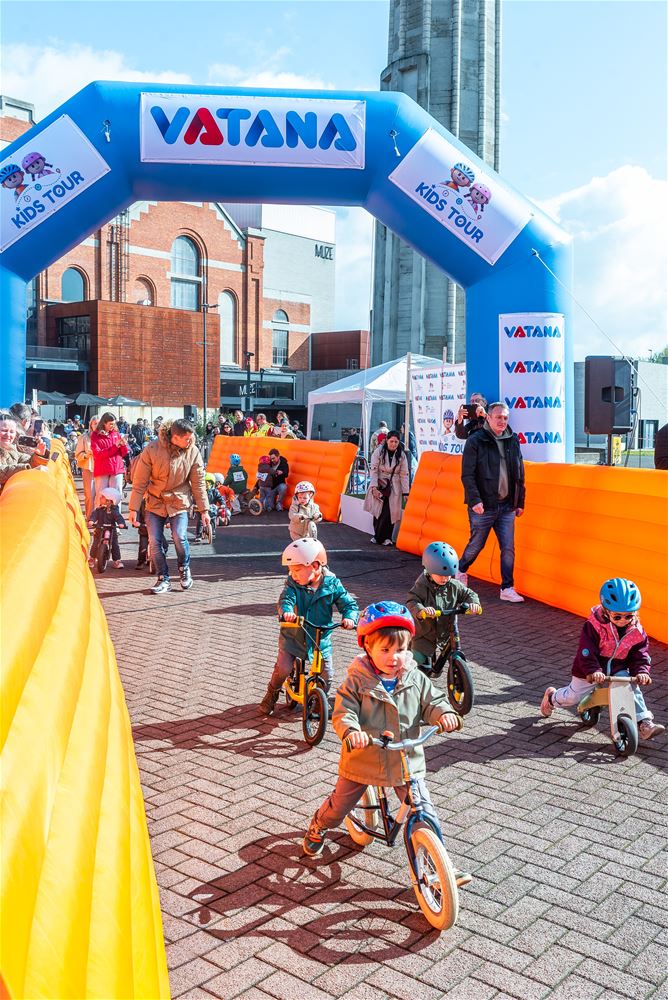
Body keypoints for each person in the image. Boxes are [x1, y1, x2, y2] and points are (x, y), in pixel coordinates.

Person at [302, 601, 461, 857]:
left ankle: (439, 865)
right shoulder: (357, 680)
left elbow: (433, 701)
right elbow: (344, 711)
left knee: (424, 811)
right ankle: (319, 825)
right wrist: (351, 731)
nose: (394, 657)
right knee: (339, 805)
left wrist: (444, 713)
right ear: (368, 647)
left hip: (404, 762)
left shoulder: (414, 677)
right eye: (385, 650)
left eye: (400, 649)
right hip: (364, 757)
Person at [540, 578, 664, 741]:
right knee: (573, 697)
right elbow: (586, 651)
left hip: (618, 668)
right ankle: (551, 697)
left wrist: (641, 672)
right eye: (617, 617)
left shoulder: (637, 632)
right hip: (589, 668)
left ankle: (644, 723)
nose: (623, 620)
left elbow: (640, 654)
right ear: (606, 611)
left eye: (628, 616)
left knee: (631, 688)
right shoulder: (594, 626)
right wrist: (593, 670)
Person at [258, 538, 358, 714]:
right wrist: (287, 612)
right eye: (290, 570)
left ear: (315, 566)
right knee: (283, 668)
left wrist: (349, 618)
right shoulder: (293, 584)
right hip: (293, 637)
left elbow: (349, 604)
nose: (293, 574)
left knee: (327, 674)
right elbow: (286, 599)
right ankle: (272, 692)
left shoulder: (332, 584)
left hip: (320, 640)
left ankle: (319, 701)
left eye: (297, 570)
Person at [127, 418, 209, 595]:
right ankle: (163, 578)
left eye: (191, 438)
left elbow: (199, 483)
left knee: (179, 535)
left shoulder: (193, 451)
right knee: (154, 540)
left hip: (179, 500)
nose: (191, 441)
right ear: (175, 437)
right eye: (187, 438)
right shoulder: (152, 449)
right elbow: (140, 481)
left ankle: (184, 568)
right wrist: (133, 508)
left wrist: (204, 510)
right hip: (155, 501)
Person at [458, 403, 525, 603]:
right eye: (498, 417)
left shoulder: (513, 440)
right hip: (483, 505)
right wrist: (475, 500)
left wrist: (519, 501)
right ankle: (460, 570)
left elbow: (520, 472)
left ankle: (507, 588)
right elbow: (467, 474)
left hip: (507, 506)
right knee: (476, 545)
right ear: (488, 417)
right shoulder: (476, 440)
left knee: (508, 548)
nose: (502, 421)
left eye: (505, 418)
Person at [406, 542, 481, 669]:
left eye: (448, 575)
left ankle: (459, 671)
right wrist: (421, 610)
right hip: (424, 635)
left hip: (446, 633)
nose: (445, 578)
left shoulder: (454, 586)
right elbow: (412, 601)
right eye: (441, 575)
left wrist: (474, 604)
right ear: (430, 570)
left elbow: (469, 594)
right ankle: (404, 677)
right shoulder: (422, 586)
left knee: (452, 652)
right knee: (416, 662)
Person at [364, 429, 410, 546]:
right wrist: (374, 487)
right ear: (387, 440)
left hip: (395, 485)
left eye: (396, 442)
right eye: (391, 441)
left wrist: (406, 492)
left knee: (391, 512)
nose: (394, 444)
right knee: (378, 511)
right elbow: (373, 470)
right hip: (380, 483)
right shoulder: (378, 452)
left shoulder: (402, 455)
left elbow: (404, 474)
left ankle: (387, 537)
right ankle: (377, 536)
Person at [91, 412, 129, 510]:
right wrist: (115, 446)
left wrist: (123, 445)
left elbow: (123, 453)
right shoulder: (95, 435)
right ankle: (99, 517)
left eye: (114, 423)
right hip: (102, 469)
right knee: (101, 496)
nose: (113, 426)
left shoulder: (116, 433)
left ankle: (117, 518)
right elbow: (98, 454)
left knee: (116, 497)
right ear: (104, 423)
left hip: (116, 469)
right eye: (110, 424)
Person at [0, 411, 46, 488]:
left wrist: (38, 455)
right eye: (4, 430)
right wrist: (27, 470)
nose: (8, 435)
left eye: (12, 432)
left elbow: (28, 462)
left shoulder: (12, 450)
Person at [88, 487, 127, 569]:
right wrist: (92, 521)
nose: (100, 498)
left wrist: (121, 523)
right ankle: (92, 558)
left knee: (115, 544)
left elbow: (118, 517)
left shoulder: (114, 510)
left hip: (111, 529)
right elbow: (94, 515)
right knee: (95, 543)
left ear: (108, 501)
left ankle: (117, 560)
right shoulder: (99, 509)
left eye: (102, 497)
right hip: (100, 529)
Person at [74, 416, 99, 519]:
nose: (97, 425)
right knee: (90, 495)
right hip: (89, 469)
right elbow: (77, 455)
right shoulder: (84, 438)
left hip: (103, 469)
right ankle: (90, 517)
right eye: (95, 423)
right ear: (91, 425)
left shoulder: (106, 437)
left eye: (99, 423)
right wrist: (86, 455)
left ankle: (100, 518)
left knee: (101, 495)